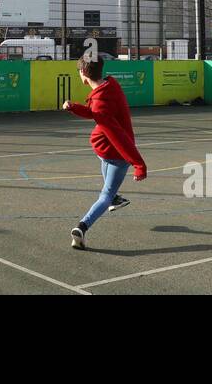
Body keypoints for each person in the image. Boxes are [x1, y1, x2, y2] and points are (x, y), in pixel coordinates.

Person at [60, 56, 147, 250]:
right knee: (107, 193)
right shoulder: (110, 85)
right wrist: (73, 107)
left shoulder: (100, 102)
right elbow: (97, 114)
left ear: (83, 73)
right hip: (108, 152)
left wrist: (139, 164)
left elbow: (117, 136)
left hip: (109, 151)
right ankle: (91, 218)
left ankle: (95, 214)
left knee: (107, 194)